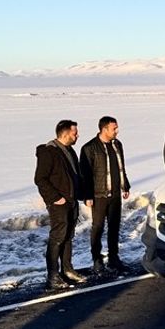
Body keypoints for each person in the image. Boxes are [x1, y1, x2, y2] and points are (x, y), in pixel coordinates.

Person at [34, 120, 84, 290]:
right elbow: (40, 179)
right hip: (58, 203)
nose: (77, 135)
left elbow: (75, 176)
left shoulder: (69, 151)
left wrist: (82, 195)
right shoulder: (49, 152)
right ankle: (53, 276)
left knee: (68, 236)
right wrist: (55, 198)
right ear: (65, 133)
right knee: (58, 237)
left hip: (71, 200)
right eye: (74, 133)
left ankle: (67, 270)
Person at [78, 116, 131, 277]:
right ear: (104, 129)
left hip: (115, 193)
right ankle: (97, 259)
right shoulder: (90, 148)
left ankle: (114, 258)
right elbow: (85, 174)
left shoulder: (117, 144)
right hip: (99, 195)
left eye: (117, 127)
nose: (117, 131)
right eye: (114, 128)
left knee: (114, 227)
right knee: (98, 227)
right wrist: (87, 195)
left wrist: (125, 185)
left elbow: (121, 167)